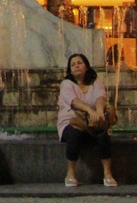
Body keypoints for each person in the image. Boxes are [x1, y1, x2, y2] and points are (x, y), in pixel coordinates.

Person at [57, 52, 116, 188]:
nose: (76, 66)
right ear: (70, 70)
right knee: (75, 132)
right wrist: (90, 110)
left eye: (79, 63)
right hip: (70, 123)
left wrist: (99, 111)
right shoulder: (66, 84)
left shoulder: (96, 83)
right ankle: (70, 173)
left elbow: (100, 97)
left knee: (103, 132)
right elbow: (73, 101)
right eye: (73, 64)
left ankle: (107, 173)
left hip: (92, 124)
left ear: (87, 66)